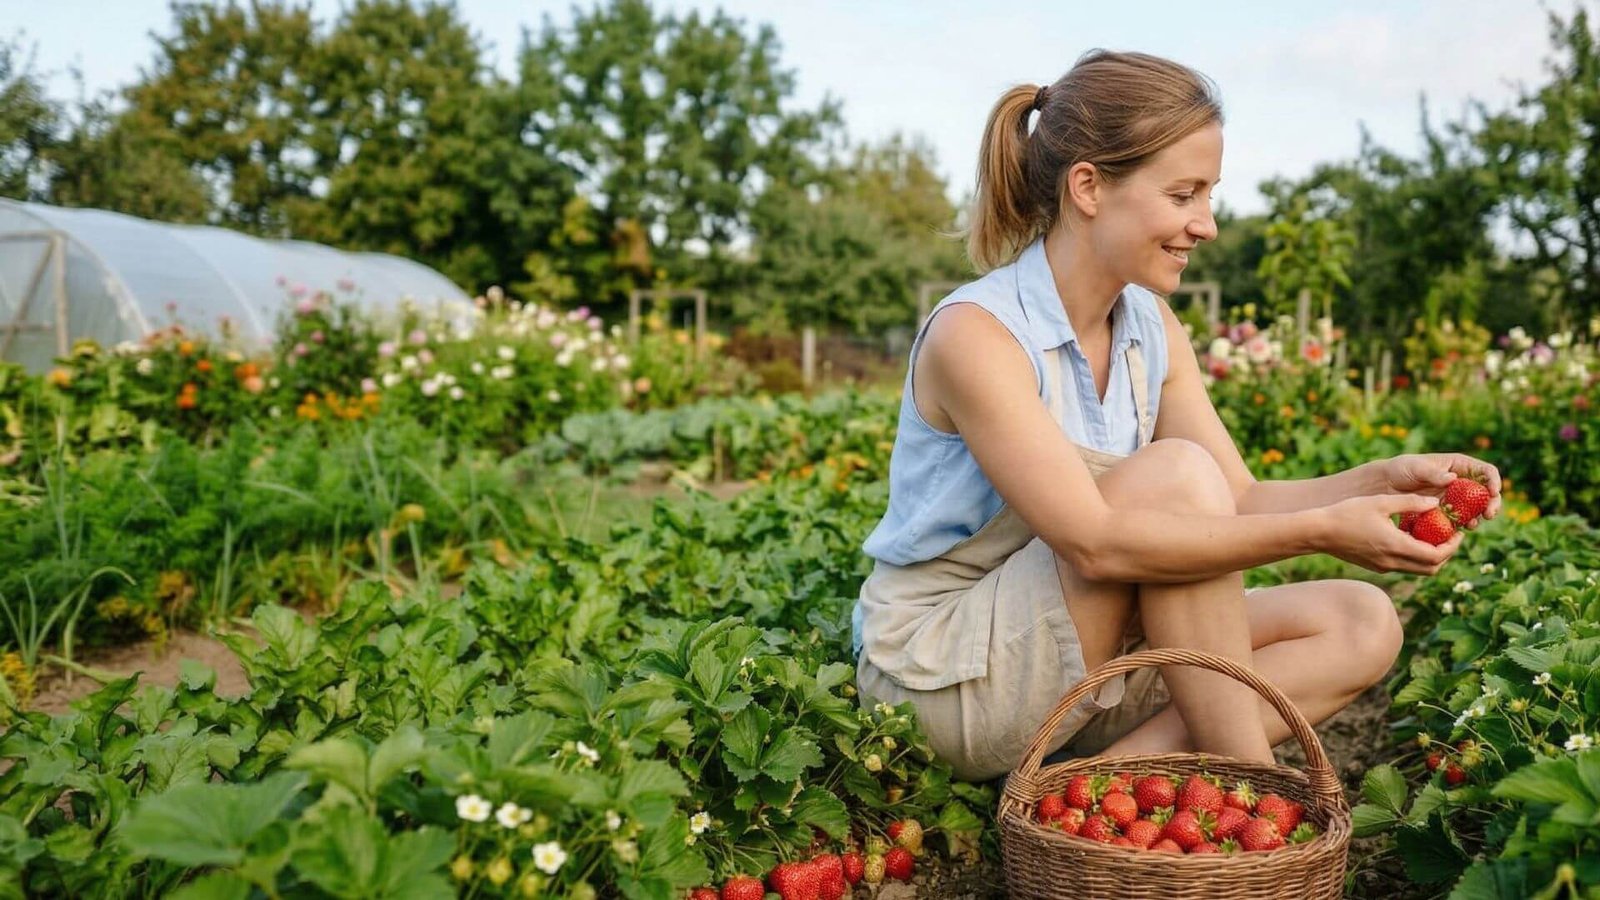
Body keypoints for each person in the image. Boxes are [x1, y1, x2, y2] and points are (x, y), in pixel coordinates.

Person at [849, 49, 1501, 783]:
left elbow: (1241, 499)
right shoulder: (979, 334)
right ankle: (1252, 790)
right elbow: (1096, 545)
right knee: (1176, 481)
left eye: (1209, 196)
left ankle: (1092, 789)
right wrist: (1321, 531)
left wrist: (1376, 481)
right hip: (948, 678)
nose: (1208, 225)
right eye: (1185, 194)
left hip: (1080, 656)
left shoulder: (1151, 327)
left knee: (1361, 621)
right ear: (1089, 187)